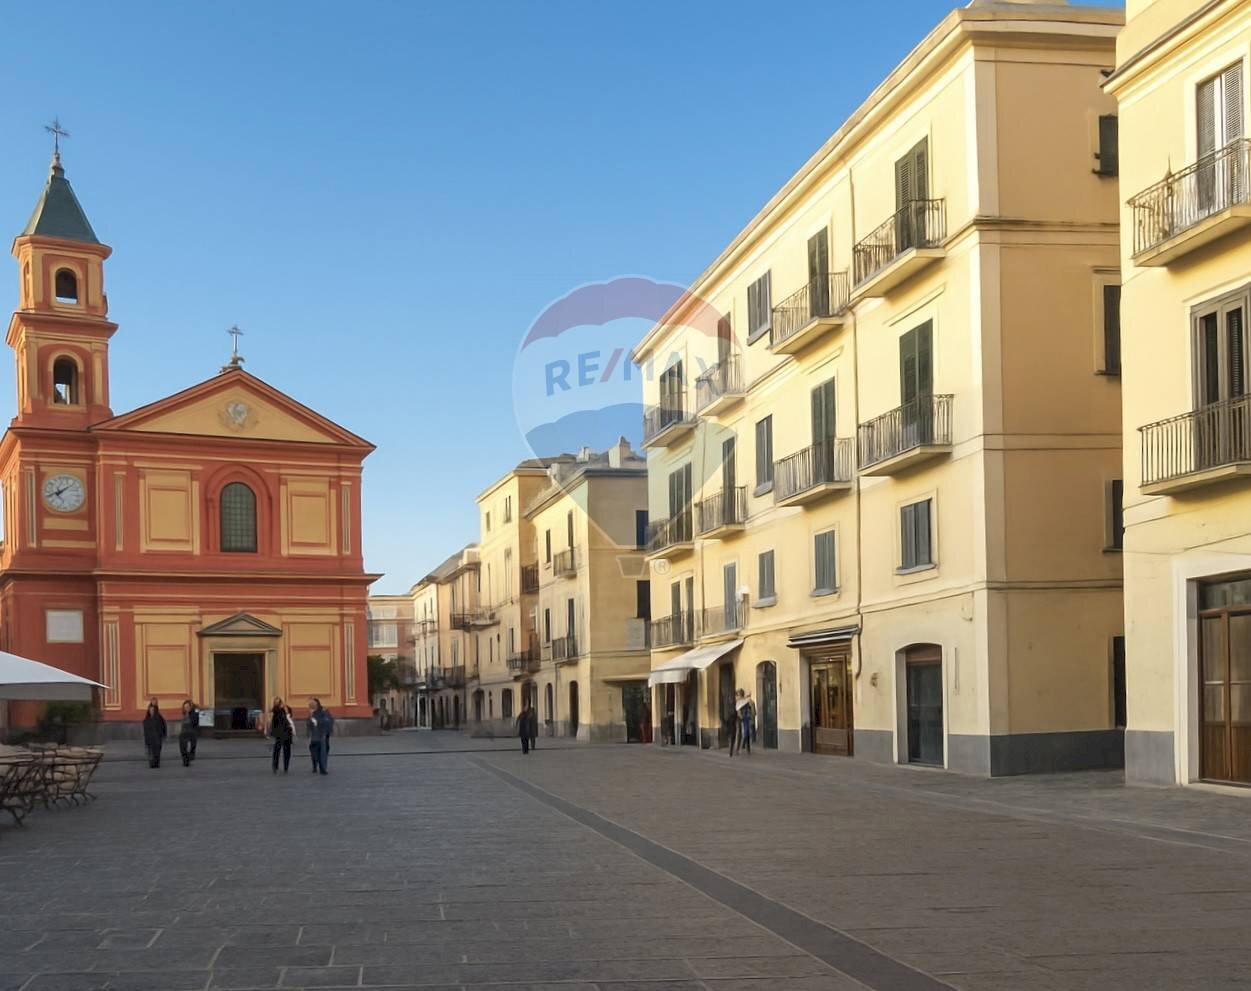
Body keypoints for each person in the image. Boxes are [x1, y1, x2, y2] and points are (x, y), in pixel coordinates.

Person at [268, 696, 295, 774]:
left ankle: (286, 767)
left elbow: (290, 718)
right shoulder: (276, 710)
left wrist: (286, 711)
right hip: (279, 734)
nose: (280, 703)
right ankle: (275, 766)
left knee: (287, 751)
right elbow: (273, 721)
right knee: (277, 750)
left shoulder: (287, 709)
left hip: (287, 733)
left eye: (280, 702)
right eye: (277, 702)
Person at [307, 698, 330, 775]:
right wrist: (310, 718)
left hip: (321, 735)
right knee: (314, 753)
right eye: (310, 706)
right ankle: (315, 766)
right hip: (313, 736)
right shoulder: (311, 714)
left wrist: (324, 732)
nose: (311, 707)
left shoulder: (322, 712)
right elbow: (309, 725)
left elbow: (326, 722)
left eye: (312, 705)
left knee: (321, 753)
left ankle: (322, 768)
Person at [142, 698, 166, 768]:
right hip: (149, 737)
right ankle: (152, 763)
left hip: (157, 737)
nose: (151, 711)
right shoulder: (147, 718)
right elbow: (145, 726)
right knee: (150, 751)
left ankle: (156, 763)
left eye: (152, 710)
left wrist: (163, 734)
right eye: (150, 710)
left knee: (157, 751)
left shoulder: (158, 717)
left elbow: (163, 725)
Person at [178, 699, 199, 767]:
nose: (186, 708)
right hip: (183, 733)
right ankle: (185, 760)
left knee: (192, 747)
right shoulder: (184, 714)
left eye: (187, 707)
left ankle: (190, 757)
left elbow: (195, 721)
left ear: (190, 707)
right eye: (185, 707)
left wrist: (194, 708)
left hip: (191, 732)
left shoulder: (194, 713)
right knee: (182, 747)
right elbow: (182, 724)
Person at [736, 689, 756, 757]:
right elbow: (753, 711)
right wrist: (751, 716)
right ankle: (747, 749)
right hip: (746, 718)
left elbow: (738, 711)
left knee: (739, 734)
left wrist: (740, 716)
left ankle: (738, 749)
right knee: (746, 733)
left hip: (741, 719)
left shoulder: (739, 701)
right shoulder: (747, 701)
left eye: (738, 694)